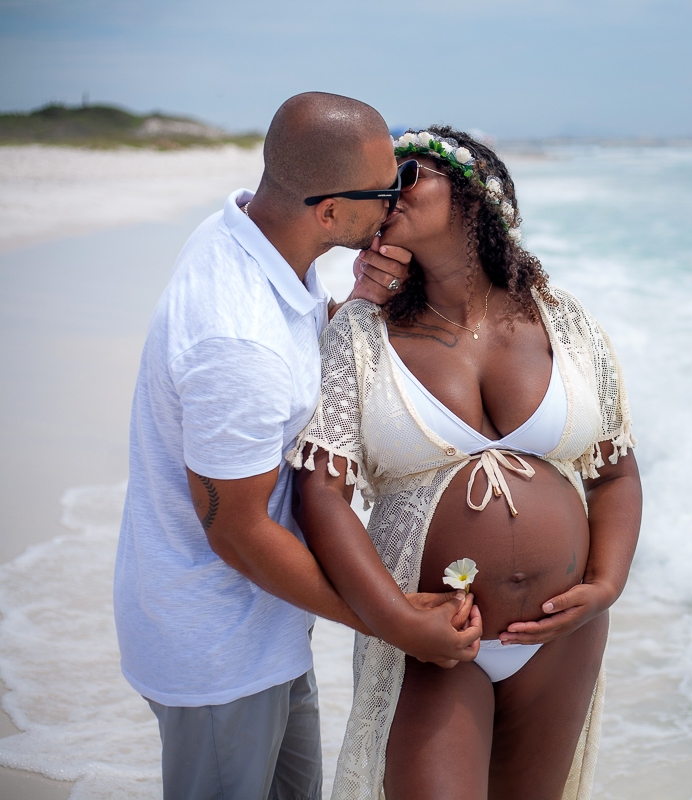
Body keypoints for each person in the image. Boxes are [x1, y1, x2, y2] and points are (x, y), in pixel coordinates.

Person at [113, 95, 482, 800]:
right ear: (330, 212)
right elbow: (239, 532)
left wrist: (354, 309)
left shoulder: (257, 237)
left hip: (264, 623)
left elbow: (286, 374)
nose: (392, 206)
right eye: (383, 193)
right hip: (218, 649)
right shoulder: (237, 338)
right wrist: (391, 621)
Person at [292, 126, 642, 799]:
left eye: (410, 173)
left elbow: (617, 472)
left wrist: (605, 586)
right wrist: (394, 618)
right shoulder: (364, 334)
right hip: (428, 638)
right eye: (380, 180)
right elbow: (322, 496)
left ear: (474, 196)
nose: (388, 190)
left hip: (560, 639)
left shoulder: (565, 324)